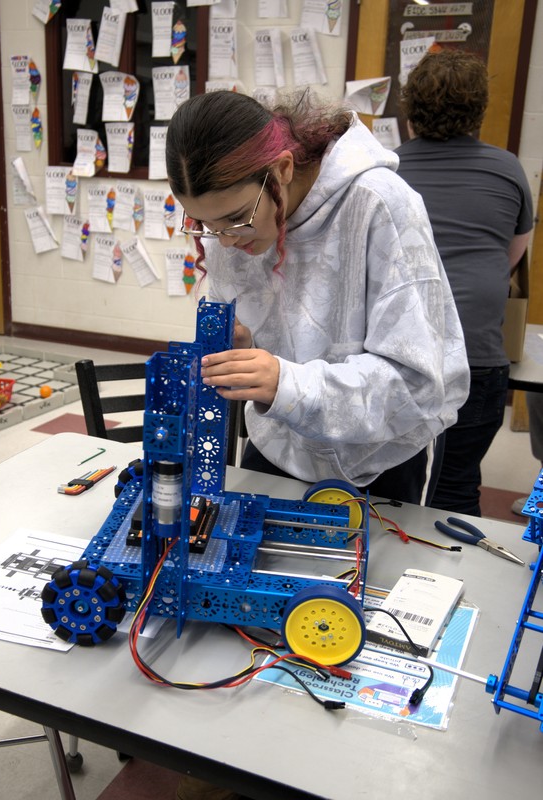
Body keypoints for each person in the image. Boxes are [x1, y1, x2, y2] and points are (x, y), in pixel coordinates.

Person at [165, 89, 469, 800]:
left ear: (282, 169)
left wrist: (287, 382)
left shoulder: (380, 206)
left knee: (359, 649)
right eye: (204, 226)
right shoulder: (230, 219)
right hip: (274, 447)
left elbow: (425, 384)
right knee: (254, 624)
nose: (227, 240)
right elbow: (244, 300)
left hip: (374, 469)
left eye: (237, 219)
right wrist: (237, 338)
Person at [396, 49, 534, 516]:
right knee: (456, 488)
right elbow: (511, 258)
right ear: (479, 110)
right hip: (477, 358)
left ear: (410, 108)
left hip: (395, 355)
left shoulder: (384, 170)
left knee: (389, 480)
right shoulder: (508, 169)